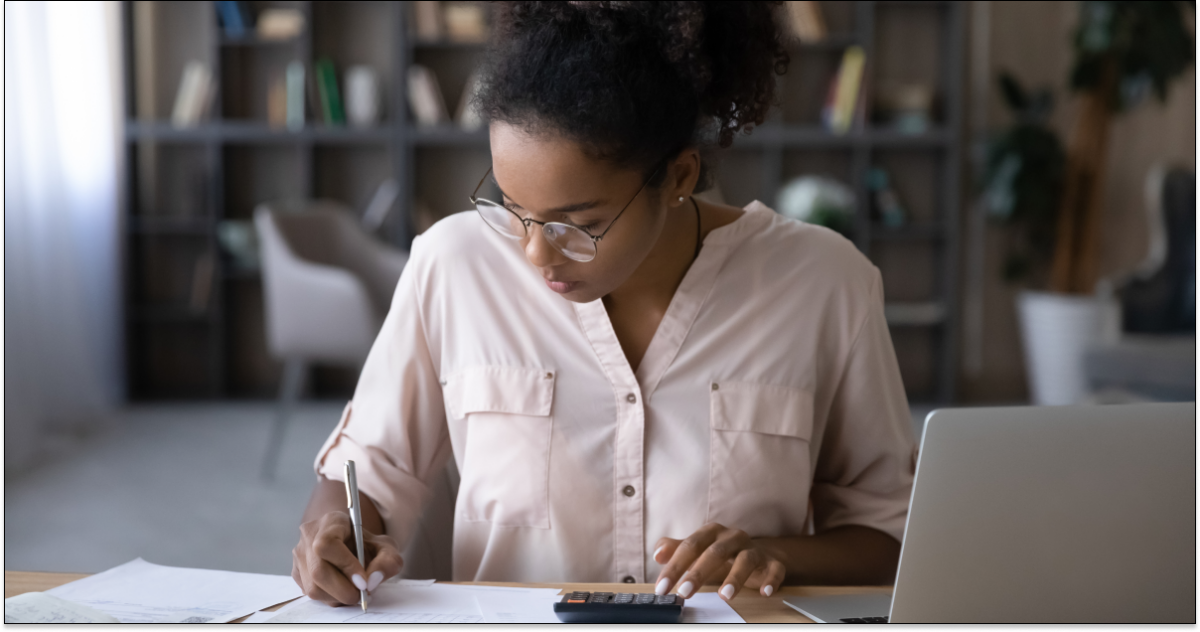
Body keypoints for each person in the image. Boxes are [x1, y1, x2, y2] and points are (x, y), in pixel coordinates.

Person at [292, 1, 916, 608]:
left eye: (578, 223)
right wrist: (332, 537)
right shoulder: (452, 266)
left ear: (677, 177)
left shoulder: (824, 284)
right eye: (512, 206)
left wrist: (776, 554)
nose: (536, 254)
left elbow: (892, 536)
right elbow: (364, 474)